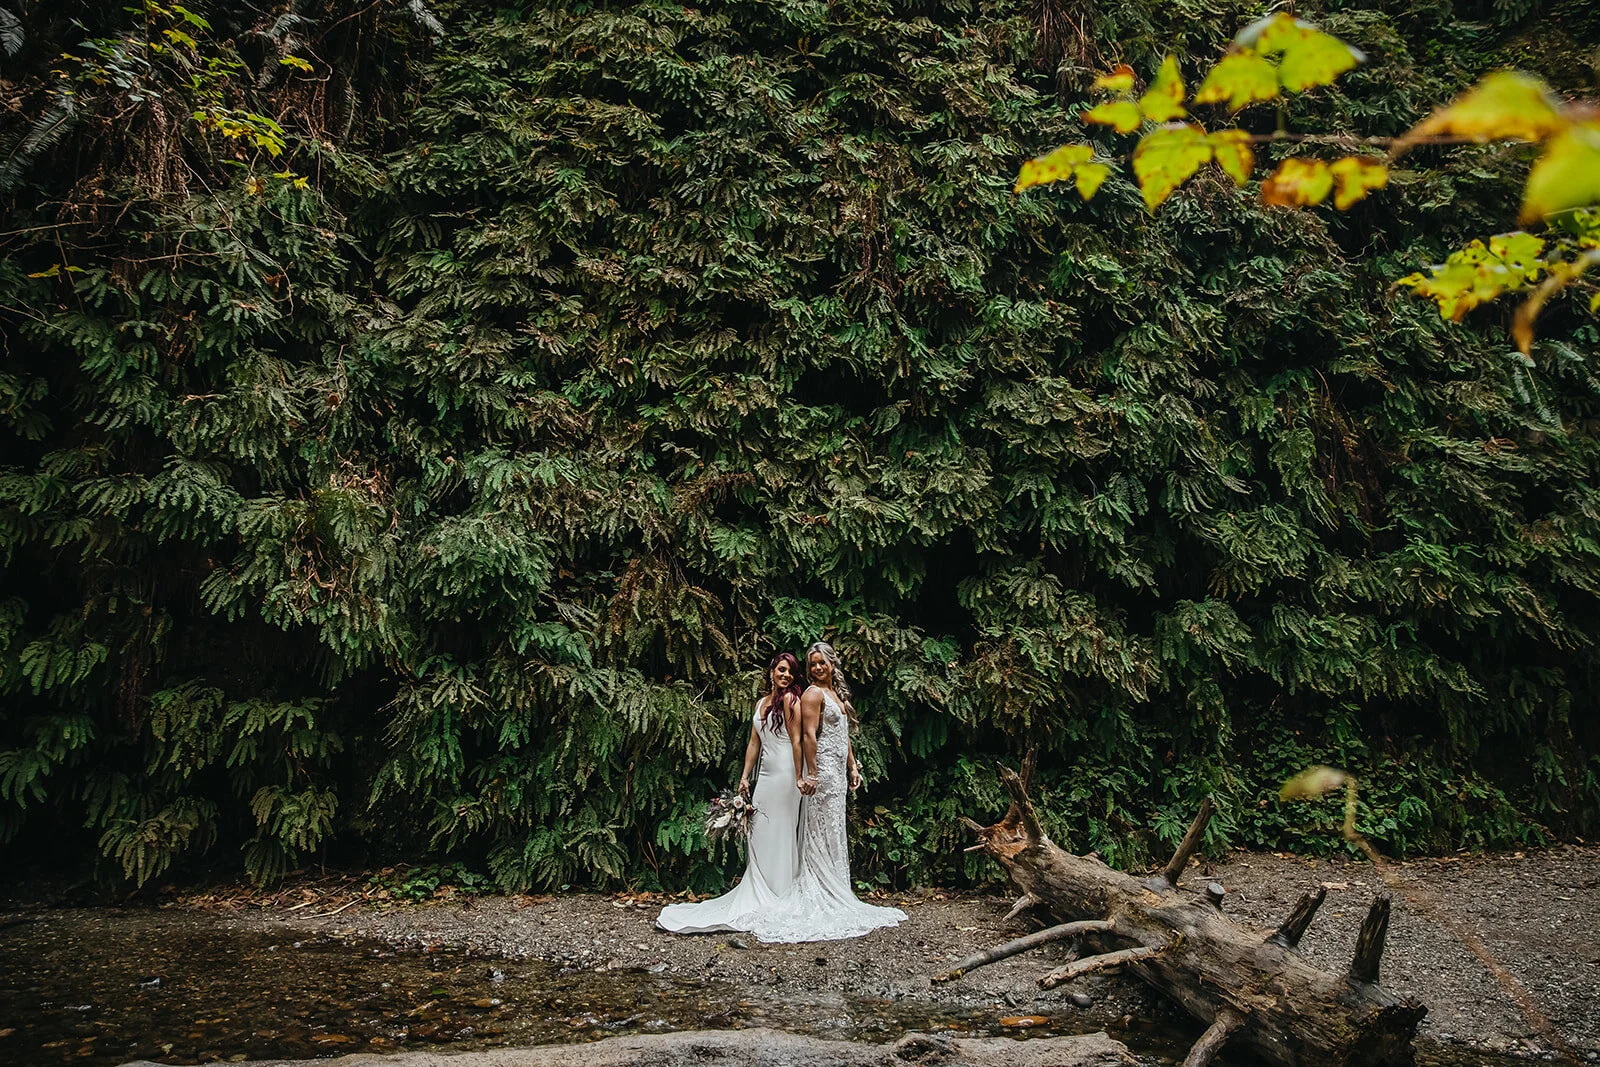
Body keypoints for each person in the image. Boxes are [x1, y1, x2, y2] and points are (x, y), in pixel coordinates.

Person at [751, 641, 907, 943]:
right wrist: (812, 773)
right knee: (821, 830)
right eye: (812, 664)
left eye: (822, 662)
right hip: (822, 771)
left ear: (832, 664)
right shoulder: (812, 694)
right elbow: (809, 735)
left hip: (838, 772)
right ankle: (821, 887)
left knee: (835, 830)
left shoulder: (836, 694)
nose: (817, 668)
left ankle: (836, 886)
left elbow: (843, 735)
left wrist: (853, 766)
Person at [656, 652, 805, 934]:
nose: (785, 676)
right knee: (760, 831)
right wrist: (745, 777)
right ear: (771, 670)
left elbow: (796, 740)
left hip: (786, 773)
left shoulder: (790, 701)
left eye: (791, 672)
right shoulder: (761, 702)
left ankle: (780, 892)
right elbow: (753, 744)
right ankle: (759, 888)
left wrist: (799, 775)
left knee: (782, 831)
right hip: (766, 774)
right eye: (781, 670)